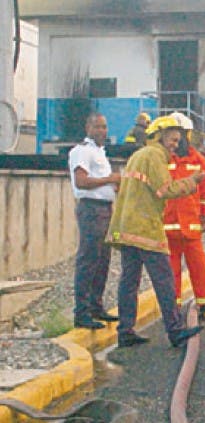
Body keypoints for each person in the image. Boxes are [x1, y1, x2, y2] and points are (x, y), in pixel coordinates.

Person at [106, 116, 204, 348]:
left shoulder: (138, 155)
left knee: (129, 280)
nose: (174, 144)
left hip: (126, 228)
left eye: (177, 140)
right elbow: (165, 189)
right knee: (164, 279)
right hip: (145, 227)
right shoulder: (154, 156)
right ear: (159, 135)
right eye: (172, 139)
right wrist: (192, 181)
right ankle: (175, 329)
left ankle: (126, 330)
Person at [68, 113, 121, 329]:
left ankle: (96, 306)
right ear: (88, 127)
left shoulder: (100, 153)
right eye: (98, 127)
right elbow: (81, 181)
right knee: (88, 259)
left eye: (105, 127)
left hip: (105, 210)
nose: (103, 131)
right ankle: (81, 313)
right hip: (91, 209)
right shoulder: (82, 151)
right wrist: (109, 179)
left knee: (102, 260)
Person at [164, 112, 205, 321]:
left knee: (199, 264)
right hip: (167, 223)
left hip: (191, 223)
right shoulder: (161, 158)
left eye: (181, 136)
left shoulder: (198, 160)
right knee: (171, 268)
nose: (177, 142)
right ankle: (173, 307)